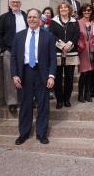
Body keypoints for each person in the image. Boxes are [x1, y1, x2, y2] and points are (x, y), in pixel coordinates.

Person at [10, 8, 57, 145]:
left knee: (43, 104)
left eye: (34, 17)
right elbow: (13, 58)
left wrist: (51, 76)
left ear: (39, 20)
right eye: (29, 17)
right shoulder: (19, 36)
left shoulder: (47, 36)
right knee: (25, 104)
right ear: (27, 19)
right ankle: (23, 133)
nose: (31, 19)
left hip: (42, 73)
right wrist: (14, 75)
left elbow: (53, 59)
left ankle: (41, 134)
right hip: (25, 73)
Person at [0, 0, 28, 114]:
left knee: (26, 75)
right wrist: (3, 49)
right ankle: (12, 102)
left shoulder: (25, 16)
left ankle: (26, 99)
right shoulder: (4, 17)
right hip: (10, 51)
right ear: (9, 4)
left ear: (20, 4)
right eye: (13, 2)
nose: (15, 4)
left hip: (26, 51)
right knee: (10, 77)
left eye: (17, 2)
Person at [50, 1, 80, 109]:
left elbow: (77, 35)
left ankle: (67, 99)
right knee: (57, 78)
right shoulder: (53, 22)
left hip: (71, 53)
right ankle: (59, 100)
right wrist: (62, 46)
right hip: (57, 53)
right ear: (59, 10)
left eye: (65, 7)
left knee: (69, 78)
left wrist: (69, 44)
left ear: (69, 10)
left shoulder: (74, 22)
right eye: (61, 8)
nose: (63, 9)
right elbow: (52, 35)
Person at [77, 3, 94, 102]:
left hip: (93, 51)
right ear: (82, 11)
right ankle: (80, 95)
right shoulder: (78, 22)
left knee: (90, 73)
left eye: (89, 10)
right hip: (83, 51)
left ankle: (87, 94)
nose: (87, 12)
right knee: (83, 73)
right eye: (85, 10)